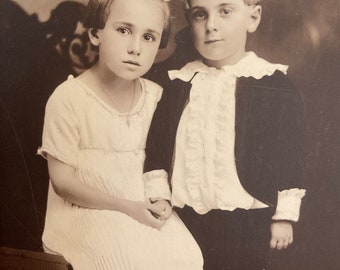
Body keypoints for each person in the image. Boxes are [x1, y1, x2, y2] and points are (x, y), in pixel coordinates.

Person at [37, 0, 203, 269]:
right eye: (123, 30)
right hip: (86, 210)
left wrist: (161, 201)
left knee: (188, 257)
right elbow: (63, 183)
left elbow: (164, 166)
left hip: (141, 208)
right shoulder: (68, 99)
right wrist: (128, 207)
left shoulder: (156, 98)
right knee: (126, 261)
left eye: (149, 37)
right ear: (95, 33)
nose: (135, 48)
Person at [144, 0, 306, 269]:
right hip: (186, 216)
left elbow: (288, 152)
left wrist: (283, 215)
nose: (211, 26)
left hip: (247, 218)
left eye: (225, 11)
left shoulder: (273, 84)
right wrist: (159, 195)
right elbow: (158, 145)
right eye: (200, 15)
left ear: (252, 18)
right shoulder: (178, 83)